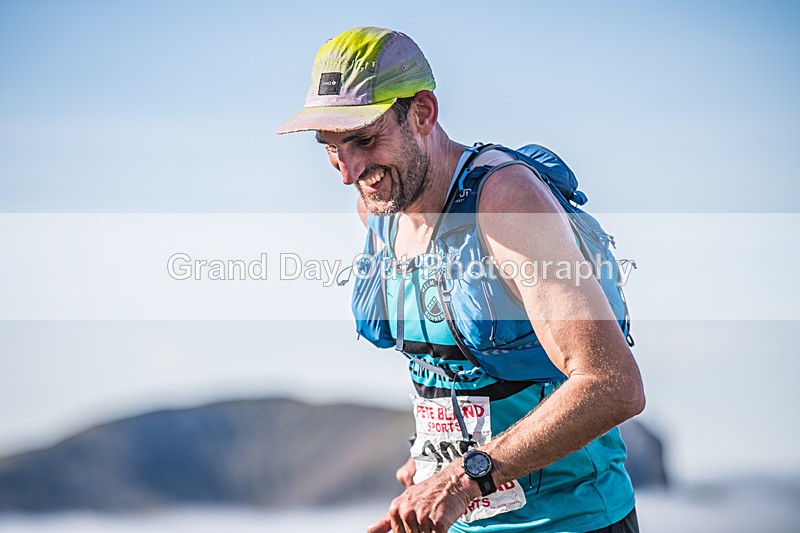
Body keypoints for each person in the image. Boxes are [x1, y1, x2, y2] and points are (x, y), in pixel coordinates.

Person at [277, 27, 645, 533]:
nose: (349, 171)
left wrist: (461, 480)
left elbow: (613, 385)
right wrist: (431, 462)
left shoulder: (505, 204)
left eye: (365, 139)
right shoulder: (380, 209)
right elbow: (451, 372)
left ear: (422, 113)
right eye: (331, 147)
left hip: (573, 522)